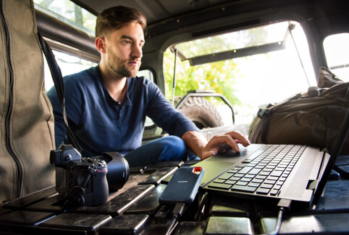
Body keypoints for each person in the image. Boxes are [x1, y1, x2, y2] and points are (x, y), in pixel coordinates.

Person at [47, 5, 250, 165]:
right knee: (174, 145)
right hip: (96, 176)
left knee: (191, 148)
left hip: (137, 170)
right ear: (101, 45)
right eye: (126, 42)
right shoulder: (72, 89)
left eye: (140, 43)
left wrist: (203, 147)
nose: (138, 53)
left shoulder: (144, 88)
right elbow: (49, 152)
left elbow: (174, 120)